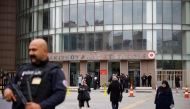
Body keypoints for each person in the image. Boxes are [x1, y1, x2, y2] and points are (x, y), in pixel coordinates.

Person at [3, 38, 67, 109]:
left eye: (34, 50)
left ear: (44, 51)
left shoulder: (54, 71)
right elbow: (12, 83)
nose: (30, 53)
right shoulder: (23, 69)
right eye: (29, 50)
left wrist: (41, 106)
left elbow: (60, 94)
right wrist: (7, 90)